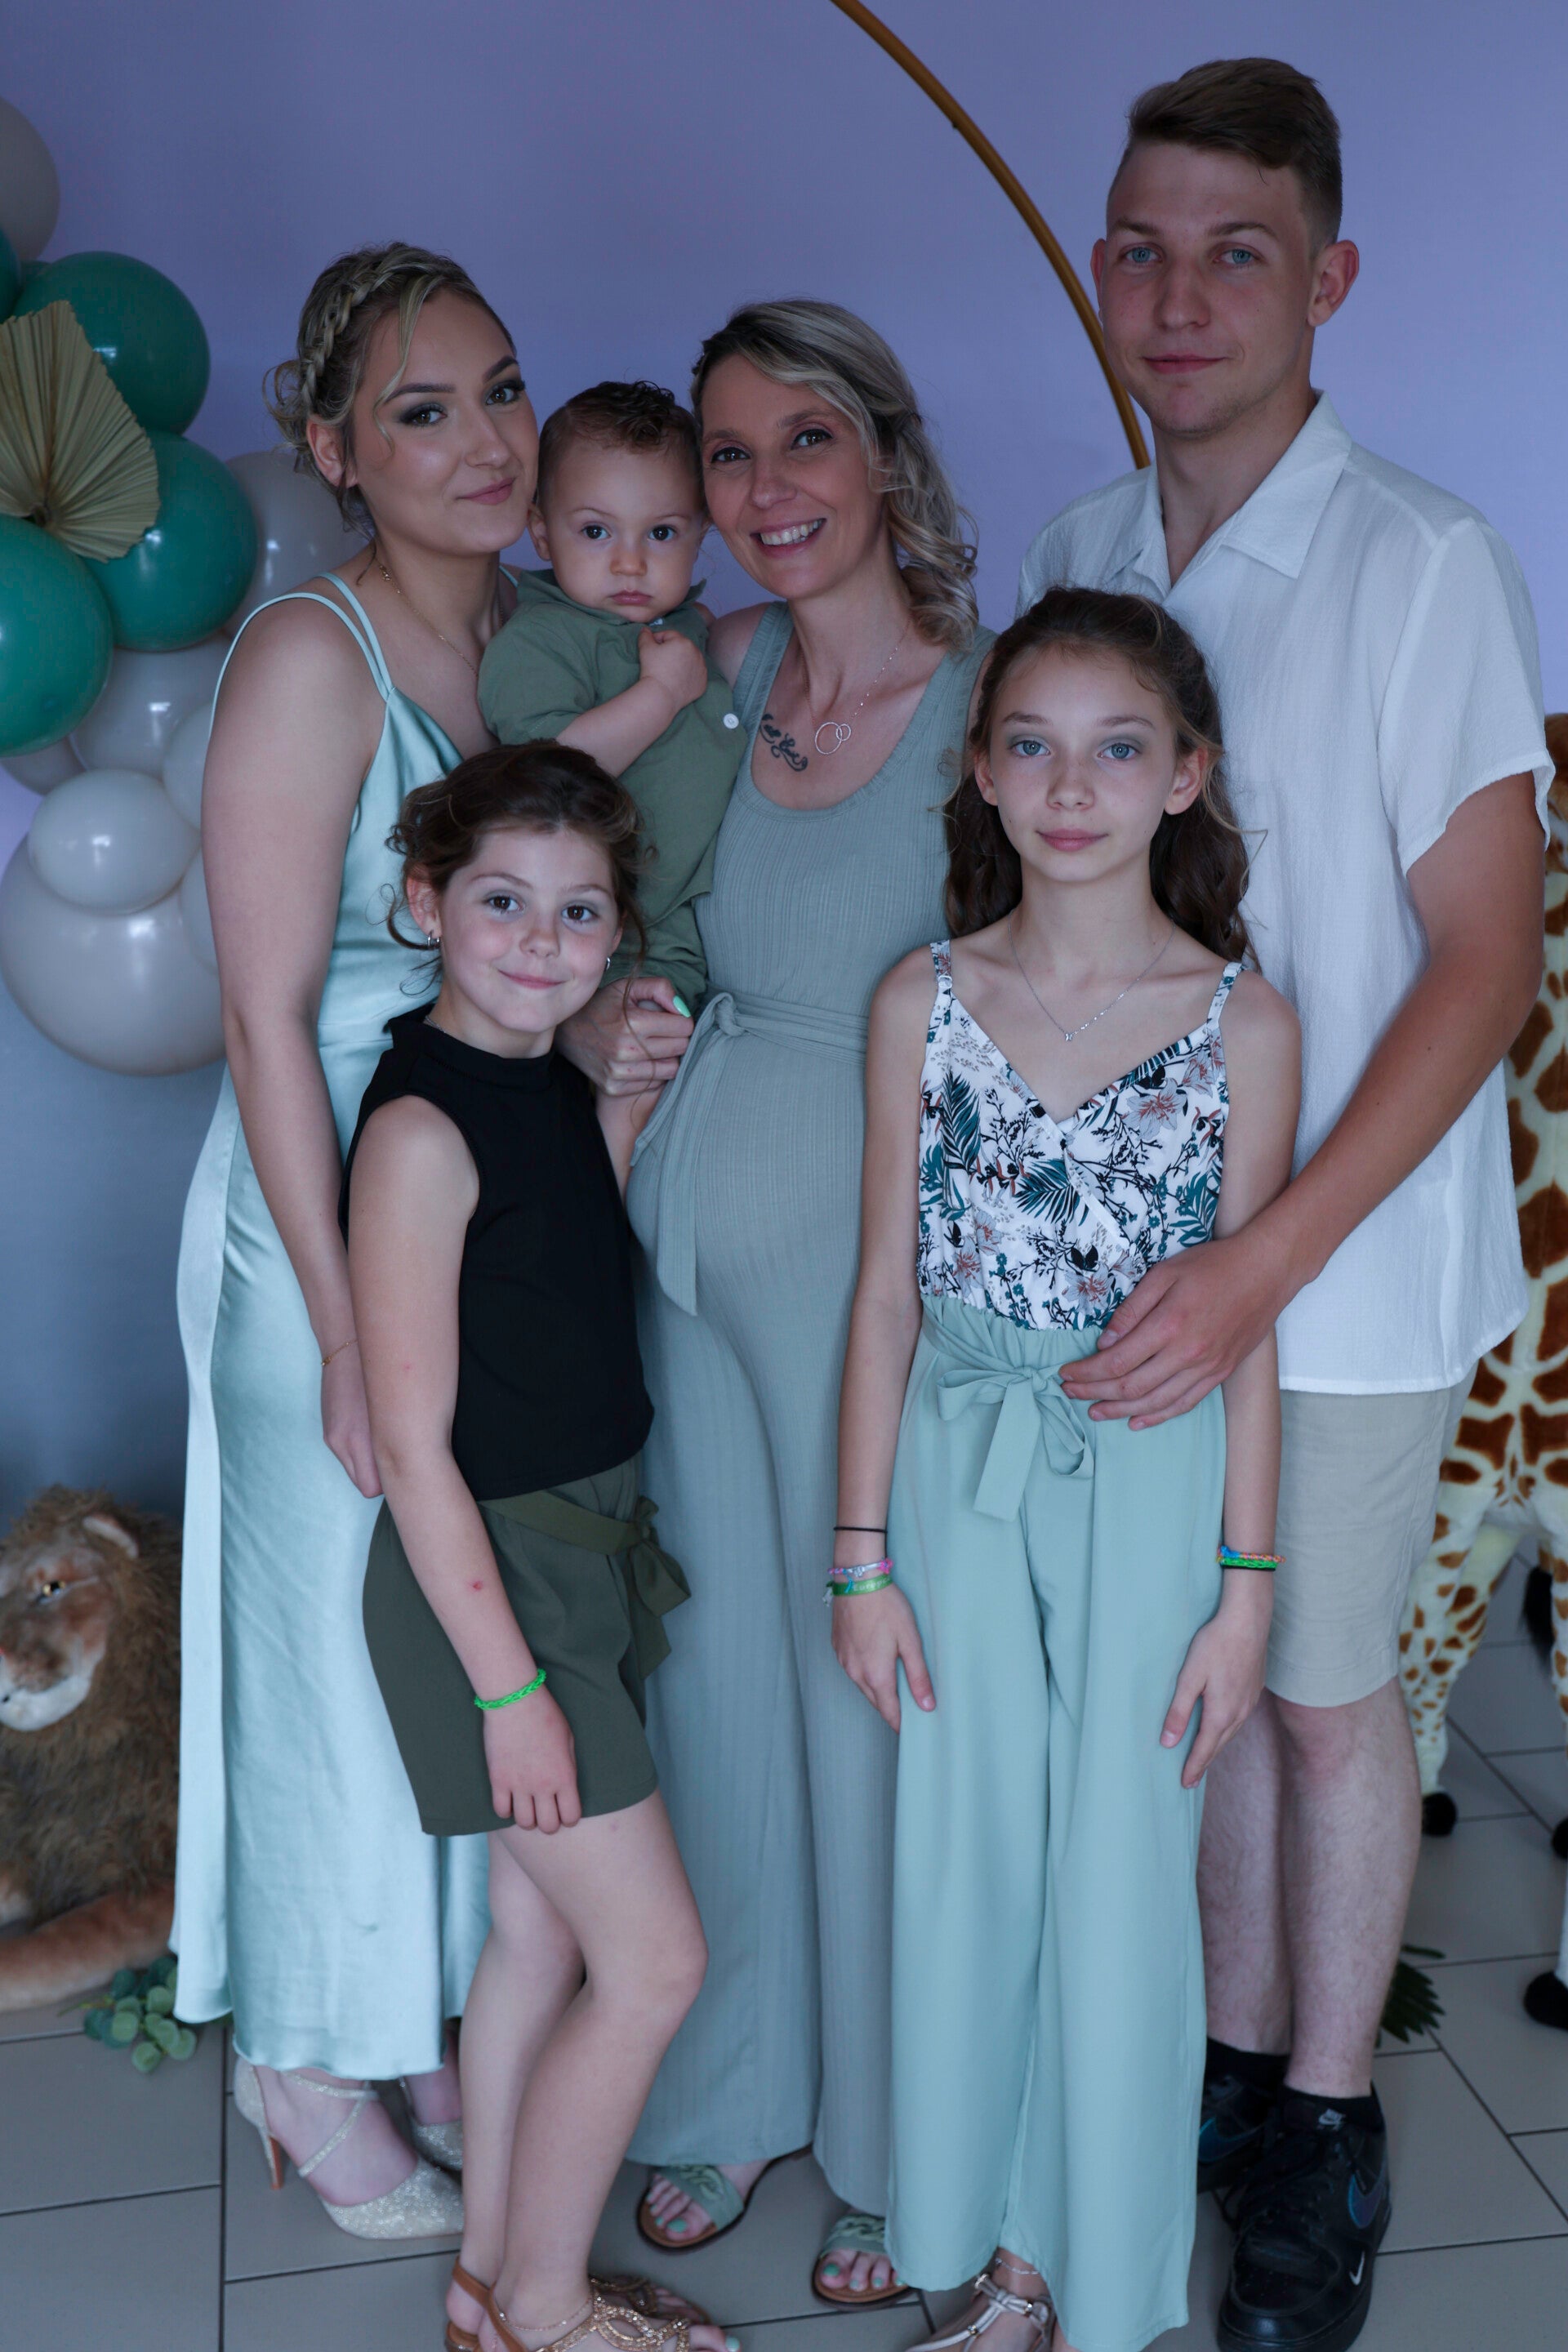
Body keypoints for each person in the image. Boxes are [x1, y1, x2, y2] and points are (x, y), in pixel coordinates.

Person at [1017, 59, 1551, 2352]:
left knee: (1333, 1706)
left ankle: (1321, 2144)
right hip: (1133, 1264)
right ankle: (1227, 2076)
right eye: (1141, 245)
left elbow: (1485, 957)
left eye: (1239, 251)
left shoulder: (1422, 555)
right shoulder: (1086, 552)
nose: (1178, 292)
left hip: (1334, 1269)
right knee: (1194, 1705)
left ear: (1328, 280)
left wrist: (1272, 1251)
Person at [833, 587, 1299, 2352]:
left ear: (1187, 775)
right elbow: (884, 1297)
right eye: (1030, 743)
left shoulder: (1246, 1025)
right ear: (980, 772)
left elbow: (1247, 1328)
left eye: (1118, 746)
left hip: (1157, 1480)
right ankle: (971, 2223)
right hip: (959, 1468)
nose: (1072, 782)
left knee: (1118, 1883)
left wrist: (1245, 1594)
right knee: (968, 1860)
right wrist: (859, 1560)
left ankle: (1062, 2270)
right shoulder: (923, 1001)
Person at [612, 301, 993, 2301]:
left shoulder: (990, 698)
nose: (764, 492)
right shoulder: (718, 673)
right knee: (713, 1689)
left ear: (885, 456)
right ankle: (722, 2087)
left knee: (863, 1708)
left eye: (805, 442)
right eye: (731, 454)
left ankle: (883, 2130)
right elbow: (610, 893)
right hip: (685, 1230)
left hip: (876, 1275)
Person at [176, 243, 541, 2234]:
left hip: (482, 1211)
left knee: (443, 1636)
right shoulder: (312, 659)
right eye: (424, 408)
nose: (484, 439)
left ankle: (417, 2021)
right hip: (317, 1220)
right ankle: (305, 2070)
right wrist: (333, 1327)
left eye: (500, 389)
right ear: (330, 445)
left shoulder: (547, 634)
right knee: (328, 1639)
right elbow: (257, 1014)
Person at [341, 742, 735, 2352]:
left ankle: (493, 2278)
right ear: (426, 900)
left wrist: (624, 1103)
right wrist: (511, 1690)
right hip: (496, 1591)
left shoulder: (544, 1081)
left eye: (580, 913)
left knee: (536, 1933)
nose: (541, 941)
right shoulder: (423, 1127)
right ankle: (559, 2315)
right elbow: (417, 1450)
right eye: (502, 901)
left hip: (579, 1545)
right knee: (654, 1967)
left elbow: (566, 1277)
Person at [478, 380, 746, 1013]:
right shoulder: (541, 641)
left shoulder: (687, 626)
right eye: (597, 532)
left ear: (701, 531)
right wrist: (660, 694)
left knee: (666, 1068)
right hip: (583, 929)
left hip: (679, 924)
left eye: (661, 534)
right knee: (627, 1077)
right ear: (541, 534)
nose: (630, 563)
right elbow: (542, 777)